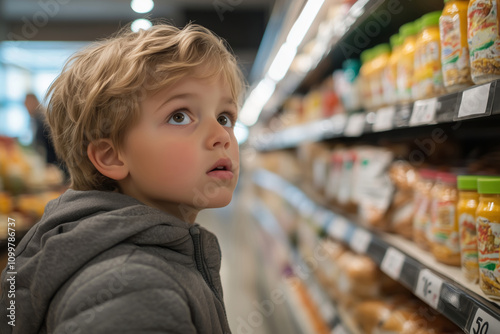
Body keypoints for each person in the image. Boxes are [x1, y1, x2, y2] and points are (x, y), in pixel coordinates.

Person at [0, 23, 244, 334]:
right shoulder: (136, 292)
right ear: (111, 157)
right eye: (179, 116)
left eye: (225, 117)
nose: (221, 135)